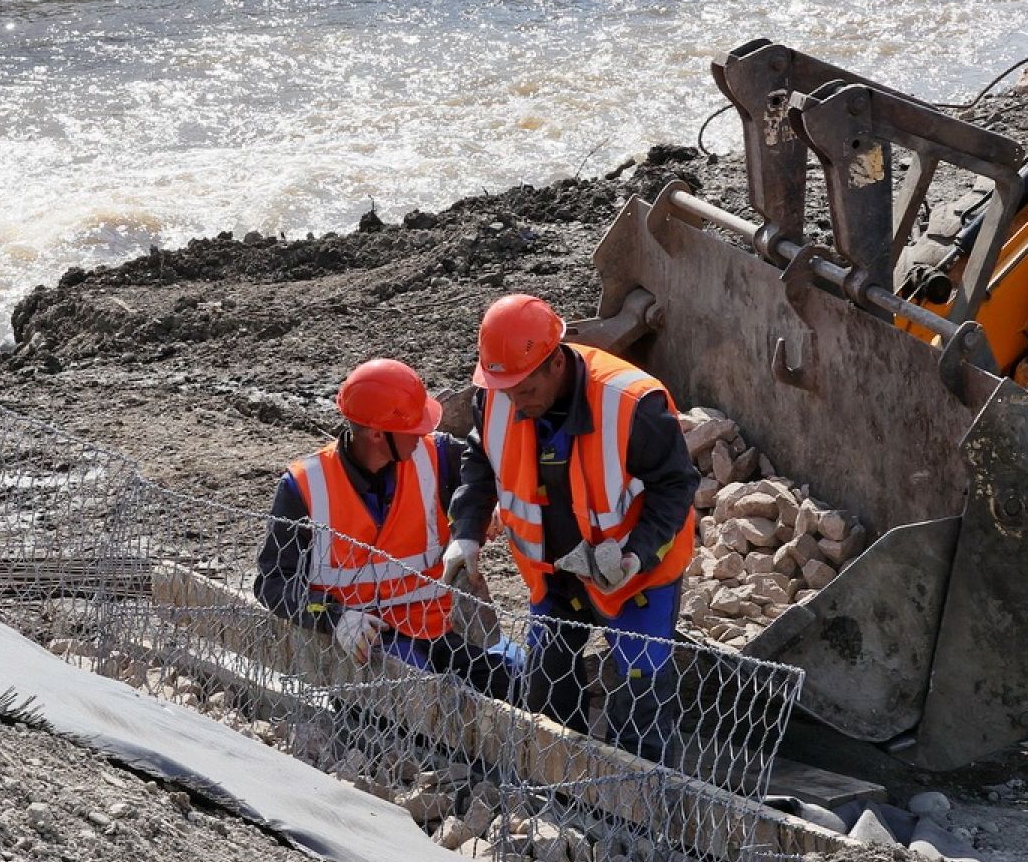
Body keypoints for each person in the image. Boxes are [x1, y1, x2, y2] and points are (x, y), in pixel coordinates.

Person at [444, 293, 697, 762]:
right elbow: (479, 461)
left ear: (555, 362)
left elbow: (675, 487)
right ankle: (561, 787)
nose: (516, 403)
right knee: (548, 683)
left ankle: (641, 798)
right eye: (506, 390)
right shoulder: (497, 396)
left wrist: (636, 554)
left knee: (642, 694)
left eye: (526, 390)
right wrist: (466, 531)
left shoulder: (632, 404)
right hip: (553, 574)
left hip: (635, 573)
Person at [254, 358, 514, 696]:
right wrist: (333, 617)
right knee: (426, 704)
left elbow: (485, 473)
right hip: (371, 645)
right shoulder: (305, 486)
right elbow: (273, 583)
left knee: (520, 682)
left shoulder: (436, 455)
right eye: (413, 427)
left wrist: (493, 503)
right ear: (378, 435)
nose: (424, 433)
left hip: (444, 630)